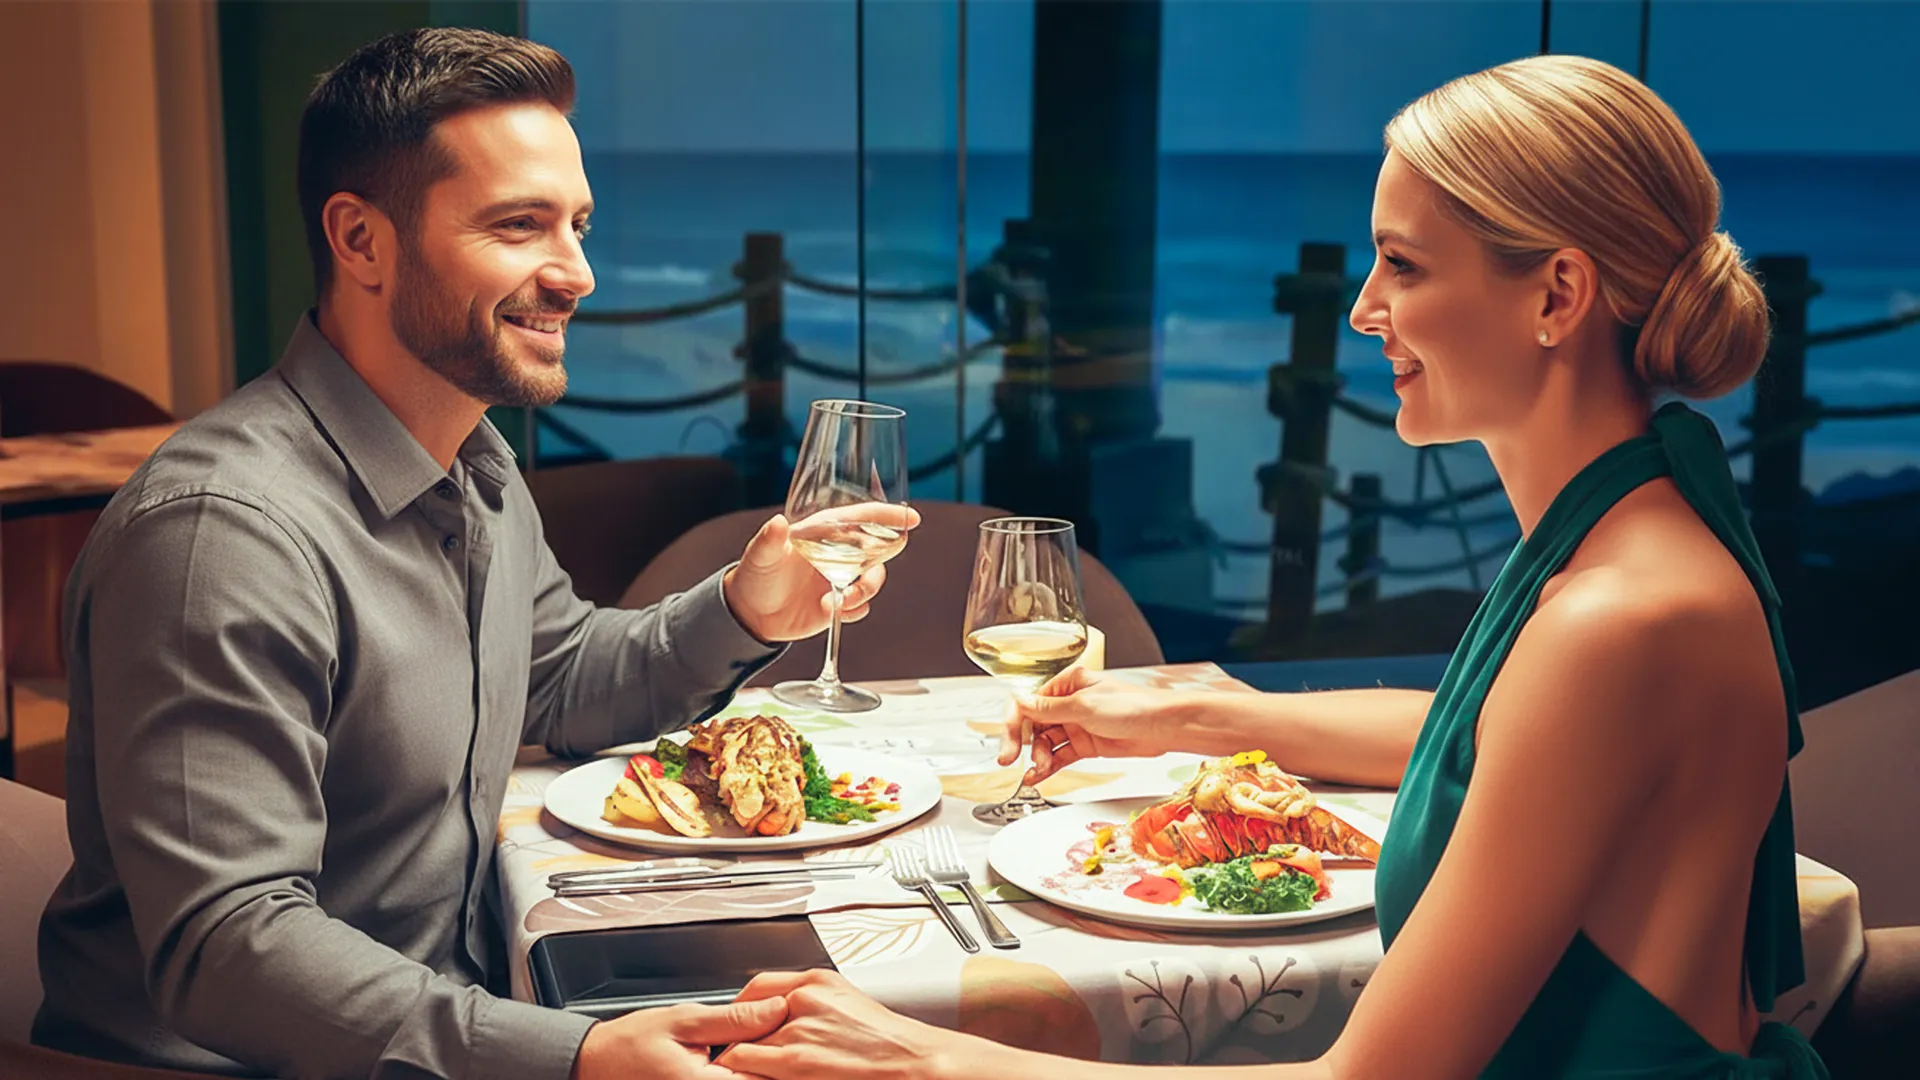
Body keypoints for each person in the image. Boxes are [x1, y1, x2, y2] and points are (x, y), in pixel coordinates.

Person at [711, 55, 1828, 1080]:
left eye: (1403, 264)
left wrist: (925, 1059)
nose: (1361, 310)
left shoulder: (1617, 616)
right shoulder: (1639, 524)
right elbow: (1506, 744)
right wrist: (1204, 713)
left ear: (1556, 296)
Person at [33, 27, 909, 1080]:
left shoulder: (471, 463)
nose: (578, 273)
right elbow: (230, 950)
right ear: (360, 242)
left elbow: (562, 678)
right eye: (519, 226)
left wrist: (748, 608)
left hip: (443, 1022)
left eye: (579, 225)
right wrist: (575, 1057)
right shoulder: (220, 537)